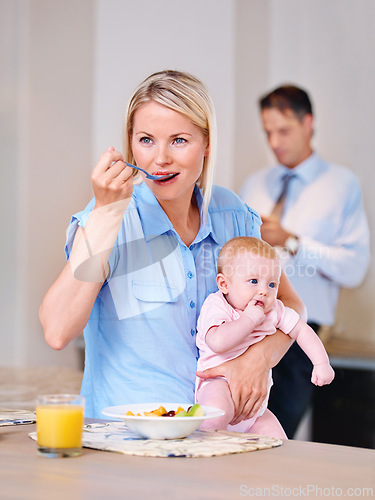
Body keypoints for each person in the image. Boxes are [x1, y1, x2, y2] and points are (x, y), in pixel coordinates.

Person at [39, 70, 305, 421]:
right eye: (146, 140)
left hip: (217, 440)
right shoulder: (109, 217)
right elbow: (57, 331)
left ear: (207, 143)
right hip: (128, 442)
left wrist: (257, 359)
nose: (160, 158)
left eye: (179, 140)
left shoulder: (233, 214)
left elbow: (291, 304)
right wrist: (105, 215)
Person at [239, 85, 370, 437]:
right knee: (236, 433)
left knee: (274, 438)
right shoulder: (254, 185)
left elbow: (355, 268)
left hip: (300, 338)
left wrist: (293, 242)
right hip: (246, 332)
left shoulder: (341, 185)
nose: (275, 142)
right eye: (268, 132)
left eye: (284, 131)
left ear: (308, 123)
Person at [196, 236, 334, 439]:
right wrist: (248, 321)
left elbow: (301, 330)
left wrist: (321, 363)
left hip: (254, 411)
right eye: (253, 281)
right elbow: (217, 342)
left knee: (279, 440)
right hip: (218, 384)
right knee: (215, 416)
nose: (263, 291)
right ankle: (206, 456)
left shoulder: (274, 310)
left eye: (272, 284)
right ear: (224, 284)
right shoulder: (217, 305)